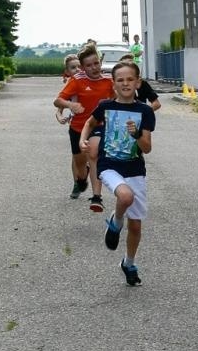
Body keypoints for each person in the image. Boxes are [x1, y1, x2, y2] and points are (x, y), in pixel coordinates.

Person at [83, 58, 156, 285]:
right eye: (120, 80)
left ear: (138, 83)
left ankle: (129, 263)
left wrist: (136, 136)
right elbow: (89, 123)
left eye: (130, 79)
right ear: (113, 84)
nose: (125, 84)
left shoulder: (144, 110)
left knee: (136, 224)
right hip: (109, 165)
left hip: (135, 168)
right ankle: (115, 222)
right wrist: (83, 141)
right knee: (125, 196)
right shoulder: (106, 106)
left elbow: (147, 148)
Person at [55, 46, 116, 212]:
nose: (94, 67)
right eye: (89, 65)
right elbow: (58, 101)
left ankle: (97, 197)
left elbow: (118, 99)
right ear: (83, 67)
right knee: (80, 165)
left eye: (96, 63)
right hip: (77, 128)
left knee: (94, 154)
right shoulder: (76, 81)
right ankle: (81, 179)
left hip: (98, 126)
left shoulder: (108, 81)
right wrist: (70, 104)